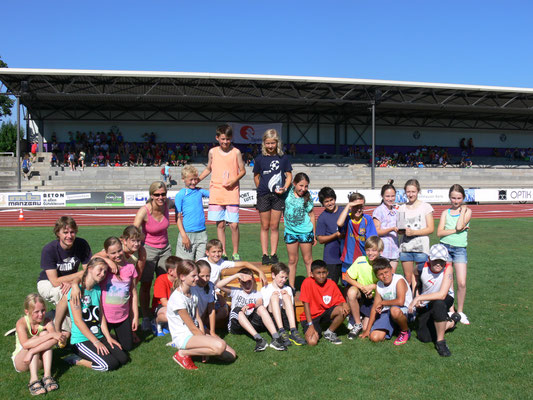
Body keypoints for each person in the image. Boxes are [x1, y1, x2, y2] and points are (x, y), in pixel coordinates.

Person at [168, 260, 236, 370]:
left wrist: (205, 340)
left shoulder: (192, 293)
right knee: (220, 346)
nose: (197, 278)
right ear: (182, 277)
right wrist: (205, 342)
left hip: (194, 332)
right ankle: (182, 354)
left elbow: (198, 319)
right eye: (194, 276)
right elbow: (192, 327)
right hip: (184, 336)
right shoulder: (177, 298)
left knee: (231, 355)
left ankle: (199, 352)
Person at [67, 257, 129, 371]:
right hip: (82, 339)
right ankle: (76, 360)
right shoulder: (76, 292)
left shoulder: (97, 289)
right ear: (89, 268)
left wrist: (108, 337)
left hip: (99, 336)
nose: (102, 274)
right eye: (100, 270)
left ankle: (100, 344)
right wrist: (95, 342)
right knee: (109, 365)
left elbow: (101, 316)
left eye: (105, 272)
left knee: (123, 358)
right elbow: (78, 321)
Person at [198, 124, 246, 261]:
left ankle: (235, 252)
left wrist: (233, 180)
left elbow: (242, 170)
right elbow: (208, 168)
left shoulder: (236, 152)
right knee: (220, 224)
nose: (225, 142)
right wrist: (198, 179)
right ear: (217, 138)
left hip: (232, 191)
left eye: (228, 139)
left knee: (234, 224)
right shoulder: (212, 152)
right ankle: (223, 252)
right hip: (217, 191)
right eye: (223, 139)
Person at [37, 216, 92, 333]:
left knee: (85, 293)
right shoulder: (49, 249)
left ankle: (53, 316)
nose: (69, 236)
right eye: (65, 232)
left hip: (71, 281)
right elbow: (55, 281)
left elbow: (89, 273)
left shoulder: (82, 244)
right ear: (58, 233)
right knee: (67, 296)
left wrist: (73, 282)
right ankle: (64, 331)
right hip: (46, 282)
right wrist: (79, 275)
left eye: (72, 232)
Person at [134, 181, 174, 331]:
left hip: (165, 249)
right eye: (157, 195)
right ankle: (145, 316)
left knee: (166, 282)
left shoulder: (168, 203)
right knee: (146, 284)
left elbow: (181, 205)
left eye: (163, 194)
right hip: (148, 250)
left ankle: (161, 313)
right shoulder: (144, 211)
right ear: (151, 195)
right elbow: (133, 230)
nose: (160, 197)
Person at [217, 268, 288, 352]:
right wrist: (237, 275)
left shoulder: (257, 294)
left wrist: (251, 305)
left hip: (251, 323)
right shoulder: (236, 291)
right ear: (239, 282)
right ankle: (259, 339)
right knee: (237, 310)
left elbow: (259, 303)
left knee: (261, 308)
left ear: (253, 281)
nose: (247, 284)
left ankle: (276, 338)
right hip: (236, 326)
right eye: (244, 282)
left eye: (249, 282)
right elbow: (218, 285)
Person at [409, 244, 460, 356]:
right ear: (429, 259)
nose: (438, 264)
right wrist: (416, 292)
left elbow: (442, 295)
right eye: (435, 260)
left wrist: (419, 297)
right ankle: (451, 321)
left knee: (439, 304)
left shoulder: (448, 269)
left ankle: (440, 342)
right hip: (426, 302)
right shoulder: (421, 267)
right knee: (424, 338)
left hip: (444, 299)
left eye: (441, 261)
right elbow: (414, 275)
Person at [253, 129, 293, 265]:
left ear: (277, 143)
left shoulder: (283, 158)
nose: (270, 146)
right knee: (264, 226)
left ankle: (273, 254)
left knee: (274, 225)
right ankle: (265, 254)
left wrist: (285, 188)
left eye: (273, 143)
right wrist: (261, 188)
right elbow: (256, 176)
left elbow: (289, 175)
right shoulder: (259, 158)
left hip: (278, 196)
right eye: (268, 143)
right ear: (264, 143)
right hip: (264, 195)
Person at [12, 294, 65, 396]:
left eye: (43, 310)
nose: (41, 314)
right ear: (27, 312)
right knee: (37, 339)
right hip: (22, 361)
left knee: (45, 334)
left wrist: (32, 351)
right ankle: (33, 380)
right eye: (36, 312)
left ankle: (47, 376)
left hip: (36, 360)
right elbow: (26, 344)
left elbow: (55, 340)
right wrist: (52, 335)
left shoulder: (47, 321)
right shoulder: (21, 323)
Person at [437, 184, 472, 325]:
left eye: (459, 198)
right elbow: (440, 233)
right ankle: (451, 310)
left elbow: (458, 225)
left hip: (459, 249)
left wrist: (462, 212)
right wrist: (456, 231)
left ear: (463, 198)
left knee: (462, 282)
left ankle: (461, 311)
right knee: (449, 282)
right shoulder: (445, 213)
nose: (456, 201)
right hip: (445, 248)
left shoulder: (467, 211)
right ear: (449, 198)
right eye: (453, 198)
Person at [360, 257, 413, 345]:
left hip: (404, 311)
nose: (384, 276)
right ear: (376, 275)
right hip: (387, 312)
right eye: (380, 274)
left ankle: (405, 331)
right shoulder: (379, 285)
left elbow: (400, 302)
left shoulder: (398, 280)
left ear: (391, 270)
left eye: (386, 272)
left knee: (394, 310)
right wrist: (367, 330)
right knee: (374, 338)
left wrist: (383, 303)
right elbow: (374, 308)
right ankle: (394, 328)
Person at [99, 237, 139, 351]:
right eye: (112, 253)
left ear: (122, 248)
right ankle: (109, 336)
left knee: (128, 347)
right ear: (106, 253)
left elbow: (134, 294)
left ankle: (117, 336)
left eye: (119, 251)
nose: (117, 255)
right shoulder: (105, 269)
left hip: (122, 316)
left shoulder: (130, 268)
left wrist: (135, 317)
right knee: (102, 344)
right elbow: (93, 258)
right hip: (105, 317)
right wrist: (107, 261)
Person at [300, 260, 350, 345]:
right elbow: (306, 305)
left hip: (325, 313)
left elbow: (340, 301)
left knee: (343, 310)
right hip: (310, 318)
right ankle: (315, 328)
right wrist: (310, 325)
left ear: (327, 273)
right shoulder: (307, 282)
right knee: (312, 342)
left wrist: (344, 304)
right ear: (312, 274)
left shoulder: (331, 283)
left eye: (324, 272)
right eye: (318, 273)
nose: (322, 275)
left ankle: (329, 332)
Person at [397, 179, 434, 292]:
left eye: (413, 191)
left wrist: (414, 232)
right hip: (406, 249)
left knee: (421, 278)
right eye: (408, 192)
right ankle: (410, 305)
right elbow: (400, 229)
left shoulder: (426, 206)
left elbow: (430, 228)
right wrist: (401, 231)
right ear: (405, 192)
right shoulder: (401, 208)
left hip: (421, 249)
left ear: (418, 191)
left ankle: (421, 303)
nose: (411, 194)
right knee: (408, 279)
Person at [260, 262, 306, 346]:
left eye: (285, 278)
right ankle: (281, 331)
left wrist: (286, 295)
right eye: (281, 277)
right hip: (272, 319)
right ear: (273, 275)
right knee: (274, 297)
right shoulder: (265, 289)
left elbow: (290, 306)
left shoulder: (288, 288)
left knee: (286, 296)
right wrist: (272, 297)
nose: (284, 280)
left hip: (285, 319)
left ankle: (293, 330)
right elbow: (264, 309)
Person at [345, 236, 382, 339]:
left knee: (366, 330)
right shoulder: (361, 260)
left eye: (374, 250)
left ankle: (362, 317)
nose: (370, 253)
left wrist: (373, 286)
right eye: (368, 250)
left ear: (380, 251)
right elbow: (347, 277)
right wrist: (362, 287)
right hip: (362, 294)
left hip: (376, 297)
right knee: (351, 292)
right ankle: (357, 323)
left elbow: (388, 284)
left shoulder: (383, 263)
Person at [337, 193, 378, 286]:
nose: (358, 209)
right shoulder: (347, 219)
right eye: (355, 206)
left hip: (364, 261)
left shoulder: (367, 219)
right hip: (348, 260)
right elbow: (339, 223)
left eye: (361, 206)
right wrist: (348, 206)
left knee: (363, 286)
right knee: (347, 288)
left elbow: (373, 240)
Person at [283, 172, 316, 289]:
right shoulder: (287, 193)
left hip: (305, 232)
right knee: (292, 260)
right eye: (301, 185)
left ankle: (311, 286)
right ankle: (291, 286)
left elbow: (312, 215)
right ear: (294, 184)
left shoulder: (307, 197)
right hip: (290, 232)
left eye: (306, 186)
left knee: (308, 260)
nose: (303, 189)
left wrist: (314, 235)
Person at [175, 165, 210, 261]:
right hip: (187, 234)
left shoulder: (200, 191)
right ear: (183, 179)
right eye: (191, 180)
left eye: (195, 179)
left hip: (202, 233)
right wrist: (184, 236)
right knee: (185, 266)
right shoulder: (181, 195)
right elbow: (177, 218)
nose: (194, 182)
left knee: (202, 266)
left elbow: (214, 194)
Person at [197, 239, 267, 286]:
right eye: (214, 252)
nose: (217, 254)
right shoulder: (201, 262)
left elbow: (245, 263)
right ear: (207, 252)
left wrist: (260, 271)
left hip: (214, 291)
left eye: (219, 251)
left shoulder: (223, 263)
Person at [190, 260, 229, 335]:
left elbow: (211, 309)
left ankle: (204, 328)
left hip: (201, 320)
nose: (205, 279)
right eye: (202, 276)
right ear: (196, 275)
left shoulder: (210, 286)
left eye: (207, 276)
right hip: (191, 322)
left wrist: (212, 332)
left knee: (220, 343)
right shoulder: (192, 287)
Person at [316, 187, 344, 284]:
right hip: (331, 258)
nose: (330, 203)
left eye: (331, 200)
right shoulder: (322, 218)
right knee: (331, 286)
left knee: (348, 285)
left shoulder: (343, 211)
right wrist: (335, 235)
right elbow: (320, 239)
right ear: (322, 203)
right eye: (326, 201)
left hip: (346, 256)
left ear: (335, 199)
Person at [372, 180, 400, 272]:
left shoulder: (396, 211)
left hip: (394, 250)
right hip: (383, 251)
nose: (390, 198)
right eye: (387, 196)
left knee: (392, 277)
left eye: (393, 196)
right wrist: (391, 229)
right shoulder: (378, 211)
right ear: (382, 196)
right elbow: (376, 231)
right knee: (383, 277)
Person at [151, 256, 180, 336]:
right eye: (180, 270)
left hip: (174, 305)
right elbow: (164, 302)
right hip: (160, 306)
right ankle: (156, 322)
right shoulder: (161, 280)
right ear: (170, 271)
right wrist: (179, 308)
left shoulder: (181, 281)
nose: (182, 272)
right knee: (168, 315)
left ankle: (167, 324)